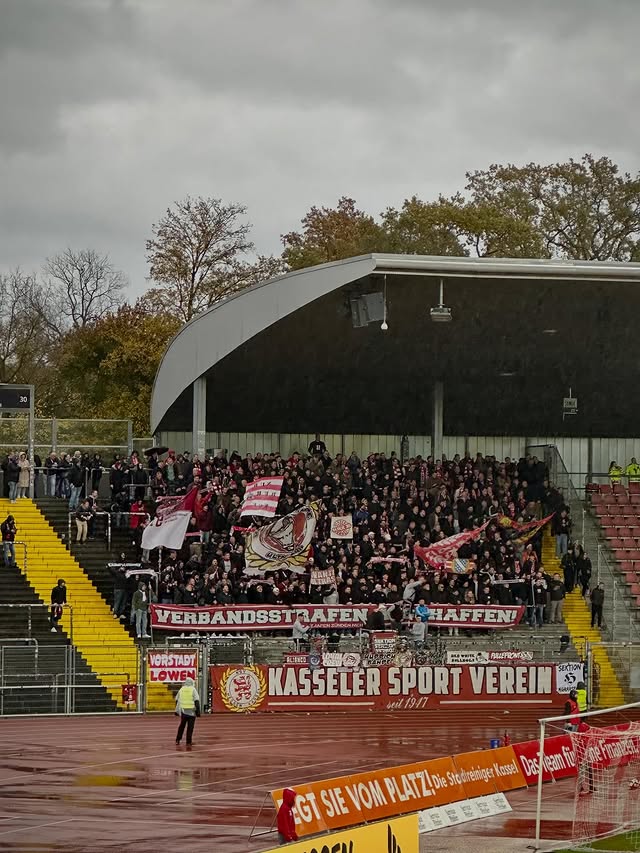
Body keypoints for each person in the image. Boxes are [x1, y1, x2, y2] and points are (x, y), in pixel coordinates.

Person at [174, 676, 200, 746]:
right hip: (192, 711)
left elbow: (177, 700)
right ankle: (188, 742)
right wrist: (198, 712)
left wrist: (177, 710)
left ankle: (178, 739)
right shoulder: (193, 689)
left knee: (182, 726)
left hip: (183, 711)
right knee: (190, 727)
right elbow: (196, 701)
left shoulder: (181, 689)